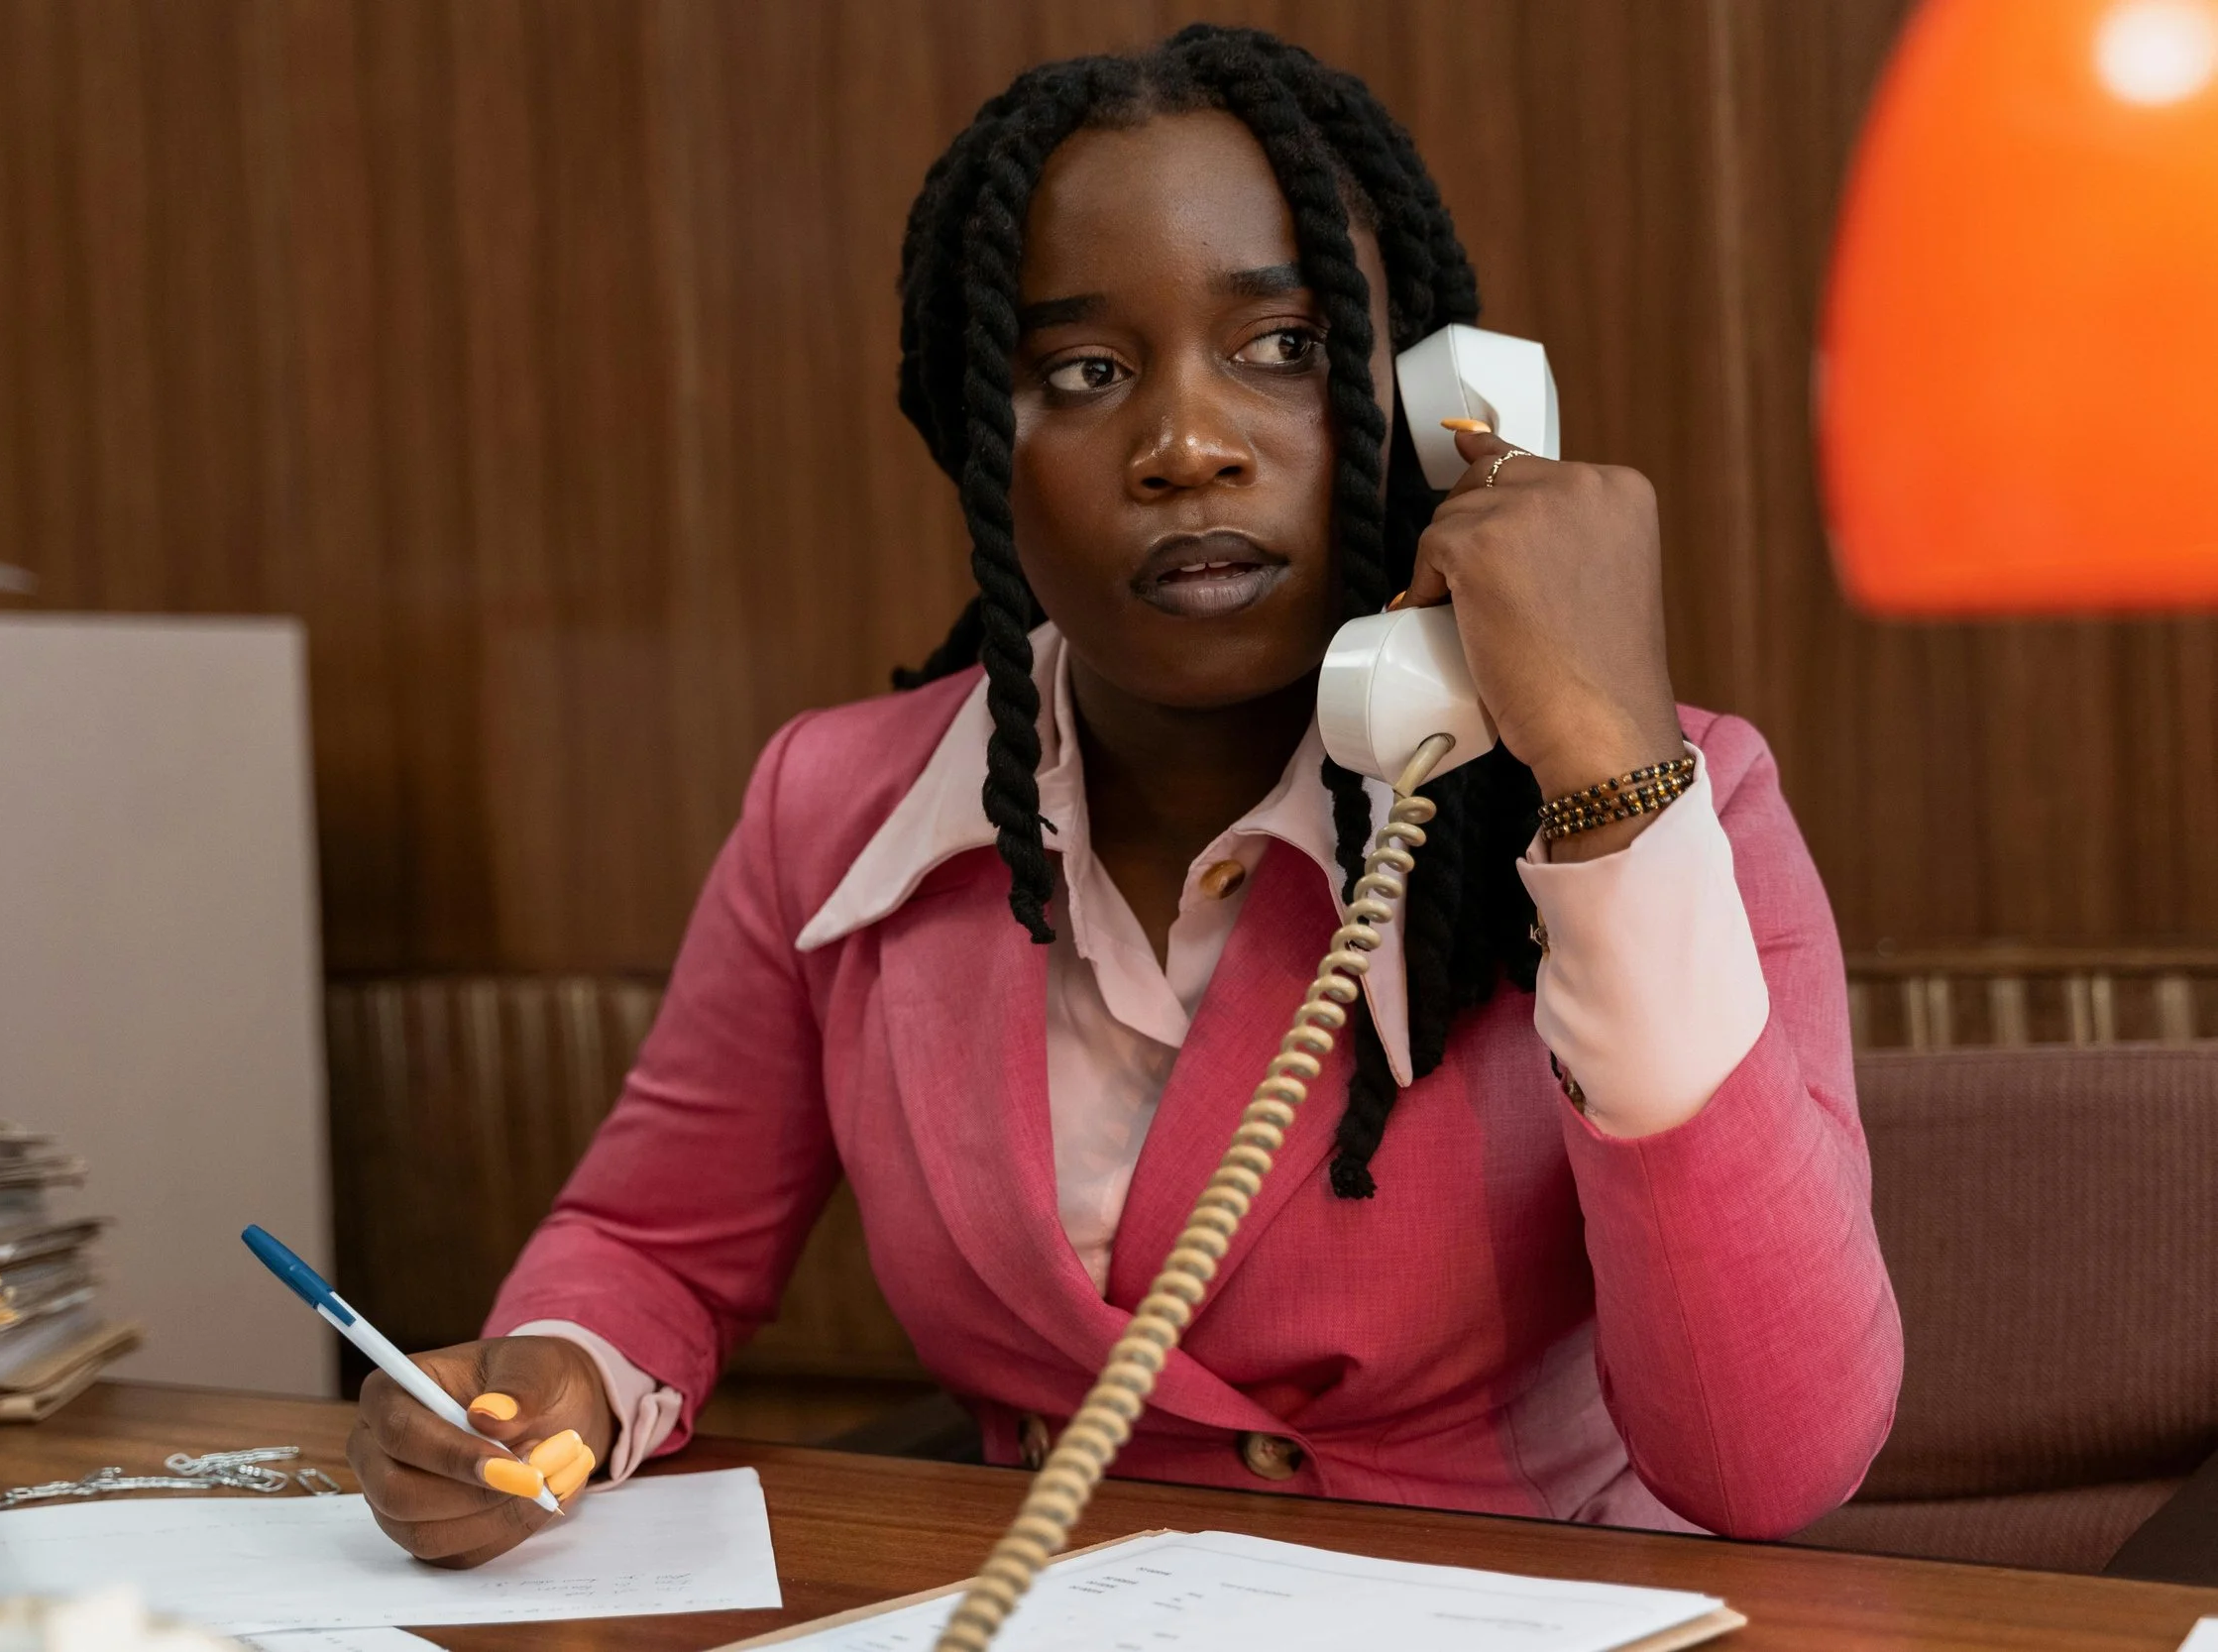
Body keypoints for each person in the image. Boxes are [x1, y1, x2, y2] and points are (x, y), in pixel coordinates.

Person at [349, 24, 1901, 1569]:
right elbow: (650, 1245)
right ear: (982, 454)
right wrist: (554, 1372)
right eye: (1083, 373)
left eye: (1284, 345)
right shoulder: (834, 809)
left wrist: (1607, 780)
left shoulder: (1661, 798)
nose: (1186, 445)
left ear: (1435, 409)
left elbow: (1769, 1463)